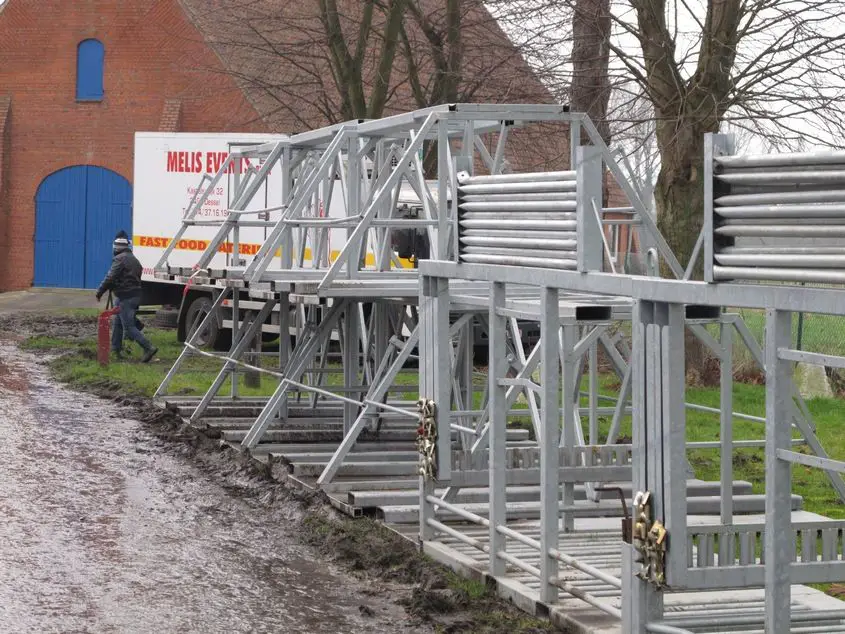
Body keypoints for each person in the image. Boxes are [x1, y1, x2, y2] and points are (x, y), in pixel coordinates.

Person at [96, 231, 158, 363]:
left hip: (126, 296)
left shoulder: (119, 259)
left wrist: (100, 291)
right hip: (132, 295)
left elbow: (110, 277)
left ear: (116, 247)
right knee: (118, 322)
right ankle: (116, 350)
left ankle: (148, 347)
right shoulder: (134, 259)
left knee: (128, 327)